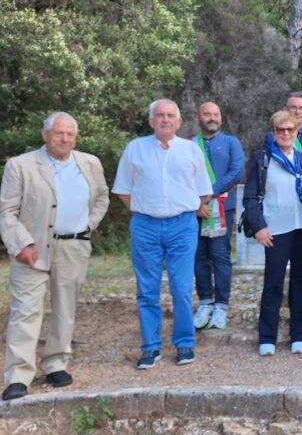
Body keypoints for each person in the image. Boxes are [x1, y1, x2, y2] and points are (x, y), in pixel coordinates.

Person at [0, 113, 109, 401]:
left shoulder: (90, 163)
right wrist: (21, 244)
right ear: (44, 135)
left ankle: (56, 363)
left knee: (65, 308)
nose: (65, 139)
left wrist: (89, 224)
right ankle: (18, 376)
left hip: (74, 247)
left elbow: (102, 197)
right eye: (59, 133)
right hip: (32, 250)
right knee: (25, 311)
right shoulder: (20, 165)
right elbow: (7, 211)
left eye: (70, 134)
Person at [113, 99, 213, 369]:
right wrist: (146, 211)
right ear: (151, 121)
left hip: (182, 226)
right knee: (147, 290)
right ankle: (150, 347)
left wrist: (181, 209)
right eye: (160, 116)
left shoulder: (191, 150)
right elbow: (123, 189)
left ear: (179, 122)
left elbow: (204, 191)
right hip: (145, 226)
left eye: (171, 116)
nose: (165, 120)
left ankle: (184, 343)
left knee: (181, 288)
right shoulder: (135, 149)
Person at [243, 110, 302, 357]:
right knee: (273, 284)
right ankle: (267, 336)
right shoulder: (263, 159)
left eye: (290, 130)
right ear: (273, 133)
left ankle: (298, 335)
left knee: (300, 283)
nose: (285, 134)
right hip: (275, 230)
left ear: (296, 133)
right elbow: (250, 197)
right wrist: (259, 227)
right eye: (280, 130)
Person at [191, 102, 245, 331]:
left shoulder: (231, 143)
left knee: (221, 256)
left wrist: (208, 194)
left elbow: (236, 171)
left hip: (223, 208)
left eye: (215, 114)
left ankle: (222, 305)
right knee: (199, 255)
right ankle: (205, 303)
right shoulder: (190, 145)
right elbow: (183, 175)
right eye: (207, 114)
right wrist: (196, 202)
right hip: (195, 209)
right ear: (198, 117)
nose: (212, 118)